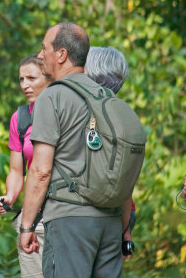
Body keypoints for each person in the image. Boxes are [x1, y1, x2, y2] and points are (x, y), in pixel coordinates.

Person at [20, 22, 127, 278]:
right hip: (110, 221)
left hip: (69, 220)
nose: (40, 55)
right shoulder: (108, 97)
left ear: (61, 55)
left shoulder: (53, 97)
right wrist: (123, 229)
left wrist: (27, 226)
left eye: (44, 48)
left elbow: (41, 170)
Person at [0, 54, 52, 278]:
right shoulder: (19, 118)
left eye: (31, 78)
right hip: (33, 218)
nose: (25, 85)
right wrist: (9, 196)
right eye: (21, 79)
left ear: (48, 77)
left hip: (65, 215)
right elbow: (17, 170)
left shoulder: (66, 111)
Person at [85, 46, 135, 259]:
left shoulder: (85, 115)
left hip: (89, 217)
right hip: (121, 213)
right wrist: (126, 232)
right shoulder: (124, 116)